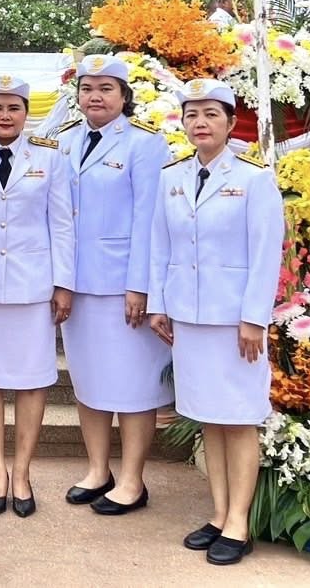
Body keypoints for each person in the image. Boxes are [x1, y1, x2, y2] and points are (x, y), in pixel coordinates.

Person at [149, 79, 282, 567]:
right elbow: (160, 244)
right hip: (188, 316)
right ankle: (220, 513)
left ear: (230, 122)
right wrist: (159, 304)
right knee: (209, 417)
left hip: (234, 322)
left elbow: (266, 254)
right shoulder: (172, 177)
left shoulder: (253, 177)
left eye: (210, 114)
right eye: (192, 115)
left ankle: (240, 522)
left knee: (240, 418)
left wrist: (253, 319)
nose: (200, 123)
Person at [0, 75, 73, 519]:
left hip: (32, 285)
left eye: (14, 108)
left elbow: (61, 223)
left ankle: (22, 472)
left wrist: (64, 284)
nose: (5, 116)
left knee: (32, 379)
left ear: (27, 112)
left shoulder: (49, 156)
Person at [57, 54, 172, 516]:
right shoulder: (64, 142)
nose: (96, 97)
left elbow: (150, 219)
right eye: (88, 88)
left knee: (134, 383)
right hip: (77, 283)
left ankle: (132, 479)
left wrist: (141, 286)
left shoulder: (146, 145)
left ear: (124, 97)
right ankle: (98, 469)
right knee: (90, 380)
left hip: (125, 284)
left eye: (107, 89)